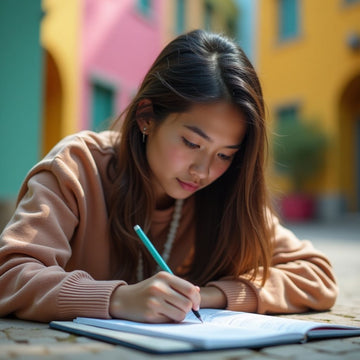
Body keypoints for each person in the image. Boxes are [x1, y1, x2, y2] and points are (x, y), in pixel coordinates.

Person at [0, 30, 337, 323]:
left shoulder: (225, 190)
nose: (203, 171)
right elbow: (11, 275)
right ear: (146, 116)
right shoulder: (77, 168)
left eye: (225, 155)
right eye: (192, 143)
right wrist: (118, 300)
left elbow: (317, 276)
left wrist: (207, 296)